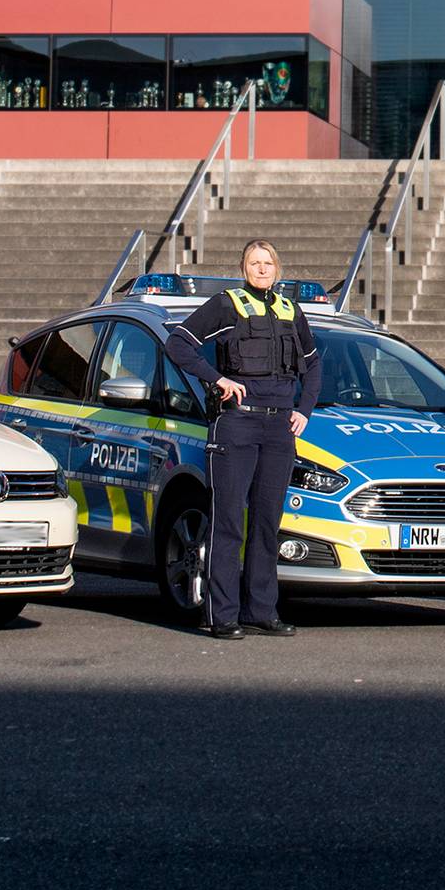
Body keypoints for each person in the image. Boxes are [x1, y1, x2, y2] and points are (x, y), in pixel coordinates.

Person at [163, 240, 322, 641]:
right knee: (228, 522)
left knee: (267, 523)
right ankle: (222, 615)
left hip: (279, 428)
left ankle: (261, 611)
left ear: (277, 268)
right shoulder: (226, 304)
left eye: (268, 262)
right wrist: (217, 379)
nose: (262, 269)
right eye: (255, 262)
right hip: (237, 424)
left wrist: (304, 409)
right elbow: (177, 344)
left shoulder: (291, 310)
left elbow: (314, 364)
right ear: (243, 268)